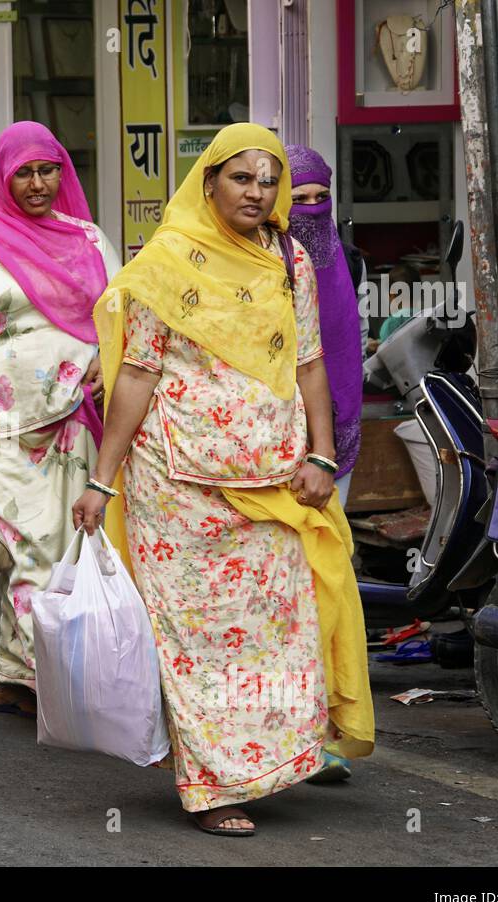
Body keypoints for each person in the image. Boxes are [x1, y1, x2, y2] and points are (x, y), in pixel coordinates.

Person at [72, 124, 374, 835]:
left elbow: (307, 363)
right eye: (241, 178)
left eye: (267, 180)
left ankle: (266, 762)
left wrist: (323, 457)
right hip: (177, 488)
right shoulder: (166, 263)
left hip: (273, 479)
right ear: (207, 182)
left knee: (276, 628)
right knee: (195, 639)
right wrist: (103, 480)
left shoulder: (288, 258)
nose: (257, 192)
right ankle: (208, 788)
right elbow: (138, 375)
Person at [0, 121, 120, 716]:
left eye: (48, 170)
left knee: (62, 547)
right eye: (24, 173)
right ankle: (49, 680)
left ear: (64, 171)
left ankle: (15, 675)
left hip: (70, 419)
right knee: (30, 546)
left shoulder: (88, 238)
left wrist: (105, 361)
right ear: (3, 176)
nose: (38, 184)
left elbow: (119, 316)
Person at [285, 145, 363, 508]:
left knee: (332, 543)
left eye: (322, 197)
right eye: (300, 198)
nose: (313, 207)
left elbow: (354, 335)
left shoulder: (349, 259)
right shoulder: (263, 261)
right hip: (275, 425)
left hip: (338, 418)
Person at [375, 263, 421, 345]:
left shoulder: (391, 324)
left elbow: (385, 353)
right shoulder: (427, 319)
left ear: (391, 295)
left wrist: (378, 346)